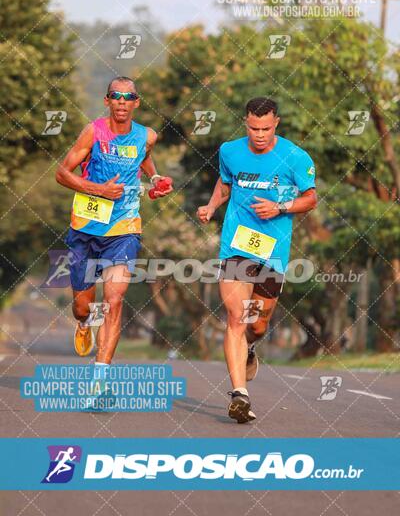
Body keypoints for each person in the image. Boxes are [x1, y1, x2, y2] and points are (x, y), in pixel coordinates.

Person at [197, 97, 317, 423]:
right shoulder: (230, 151)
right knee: (236, 318)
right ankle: (240, 394)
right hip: (236, 246)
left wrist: (280, 208)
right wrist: (211, 208)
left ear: (276, 122)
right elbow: (224, 185)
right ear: (245, 122)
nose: (259, 134)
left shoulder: (294, 156)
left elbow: (311, 198)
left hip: (273, 250)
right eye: (253, 127)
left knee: (257, 324)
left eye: (265, 128)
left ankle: (251, 348)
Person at [56, 76, 173, 380]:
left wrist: (156, 178)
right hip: (86, 226)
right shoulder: (93, 132)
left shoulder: (147, 136)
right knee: (83, 307)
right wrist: (98, 189)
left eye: (128, 96)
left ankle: (100, 376)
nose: (122, 102)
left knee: (114, 299)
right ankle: (83, 324)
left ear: (136, 102)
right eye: (115, 96)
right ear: (107, 101)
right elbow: (62, 173)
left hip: (124, 227)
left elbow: (143, 158)